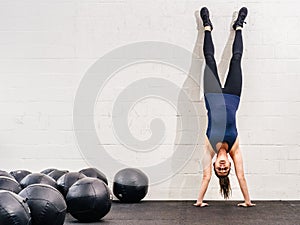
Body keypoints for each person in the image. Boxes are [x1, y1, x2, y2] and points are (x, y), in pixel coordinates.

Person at [194, 7, 255, 207]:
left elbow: (205, 177)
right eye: (224, 168)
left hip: (212, 96)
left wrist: (199, 201)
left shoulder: (209, 149)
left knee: (209, 60)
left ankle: (207, 26)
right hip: (232, 96)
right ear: (229, 164)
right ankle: (239, 26)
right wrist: (247, 201)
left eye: (218, 169)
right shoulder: (235, 149)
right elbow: (242, 176)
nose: (222, 166)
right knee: (236, 59)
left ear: (214, 165)